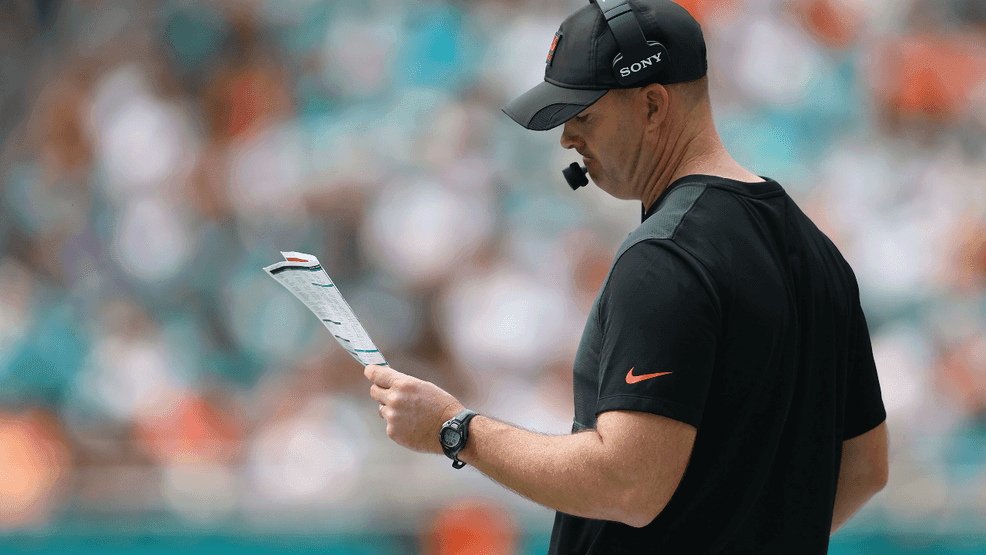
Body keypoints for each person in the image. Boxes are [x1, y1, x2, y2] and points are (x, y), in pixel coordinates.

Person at [364, 0, 889, 552]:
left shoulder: (665, 257)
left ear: (654, 104)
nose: (567, 138)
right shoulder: (819, 252)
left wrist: (456, 429)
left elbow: (629, 481)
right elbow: (865, 468)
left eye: (584, 114)